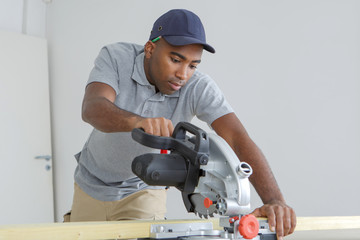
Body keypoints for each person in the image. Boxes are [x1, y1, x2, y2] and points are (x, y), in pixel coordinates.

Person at [65, 9, 296, 239]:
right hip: (89, 184)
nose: (183, 74)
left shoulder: (198, 87)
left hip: (143, 191)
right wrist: (137, 121)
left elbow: (237, 138)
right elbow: (92, 107)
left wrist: (275, 200)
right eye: (175, 60)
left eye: (193, 65)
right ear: (150, 49)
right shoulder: (116, 57)